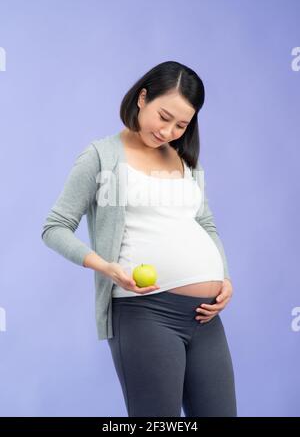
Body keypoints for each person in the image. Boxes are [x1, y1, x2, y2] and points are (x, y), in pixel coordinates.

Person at [41, 61, 237, 417]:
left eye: (182, 124)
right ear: (143, 98)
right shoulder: (101, 156)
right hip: (145, 314)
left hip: (206, 319)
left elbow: (205, 223)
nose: (169, 131)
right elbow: (54, 226)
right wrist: (106, 268)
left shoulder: (186, 161)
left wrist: (223, 277)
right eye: (164, 117)